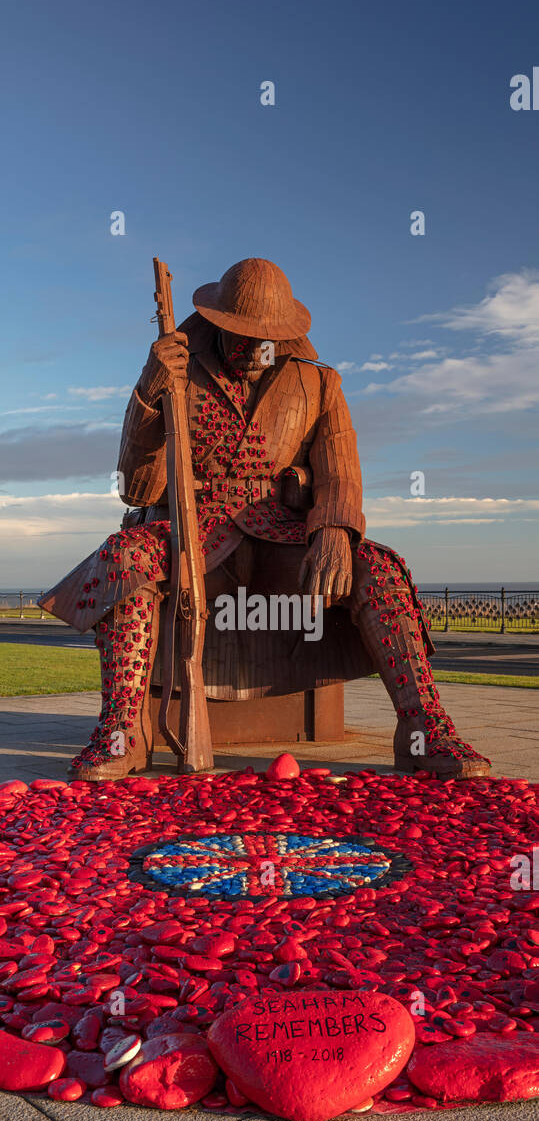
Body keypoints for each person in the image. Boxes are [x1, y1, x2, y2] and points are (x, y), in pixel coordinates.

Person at [39, 258, 490, 781]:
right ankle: (122, 731)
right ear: (217, 323)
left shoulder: (320, 385)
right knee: (126, 557)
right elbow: (136, 489)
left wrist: (336, 532)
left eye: (266, 338)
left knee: (381, 569)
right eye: (242, 336)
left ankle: (423, 726)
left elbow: (340, 473)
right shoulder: (176, 375)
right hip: (191, 529)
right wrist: (148, 392)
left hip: (282, 534)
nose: (255, 350)